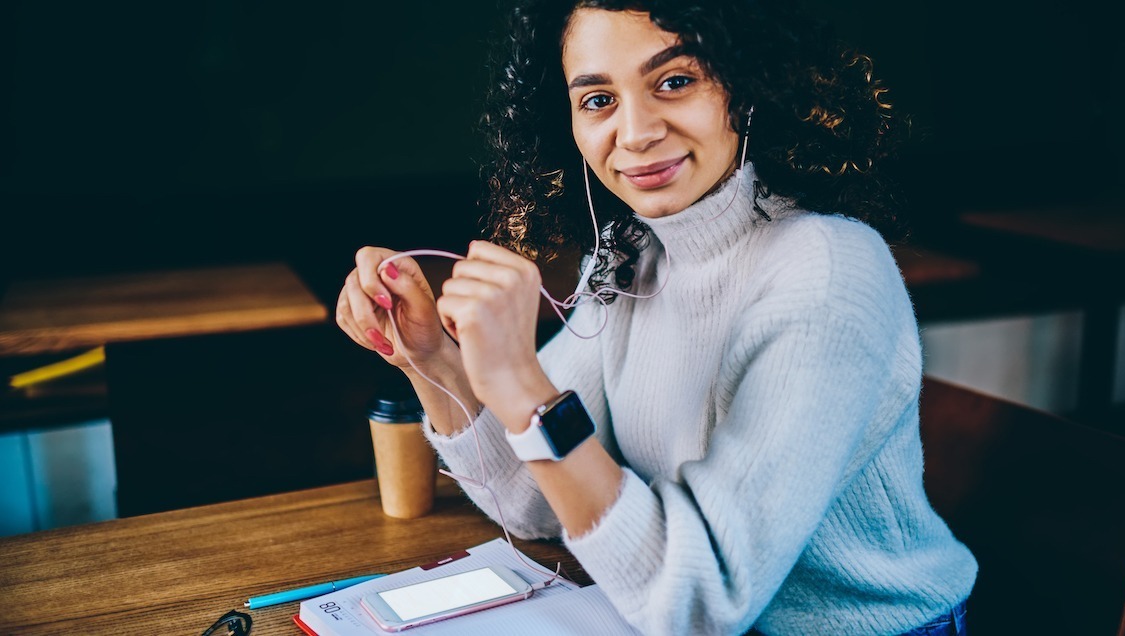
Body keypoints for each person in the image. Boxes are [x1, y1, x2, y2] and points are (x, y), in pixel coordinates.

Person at [335, 1, 977, 634]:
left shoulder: (830, 270)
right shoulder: (631, 254)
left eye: (674, 81)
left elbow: (699, 602)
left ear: (748, 87)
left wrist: (520, 383)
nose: (635, 132)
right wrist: (433, 360)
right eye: (597, 100)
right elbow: (530, 501)